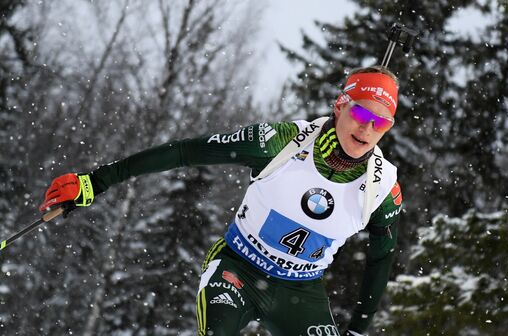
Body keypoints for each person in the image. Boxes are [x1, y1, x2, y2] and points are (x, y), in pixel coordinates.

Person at [40, 65, 403, 336]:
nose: (367, 129)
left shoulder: (381, 185)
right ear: (340, 106)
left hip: (301, 291)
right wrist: (96, 182)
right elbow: (186, 152)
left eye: (381, 123)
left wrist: (357, 329)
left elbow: (382, 256)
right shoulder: (279, 143)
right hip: (238, 268)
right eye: (360, 113)